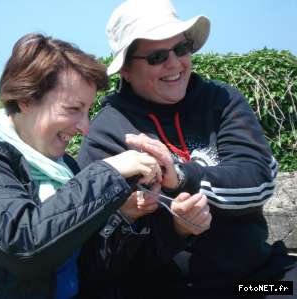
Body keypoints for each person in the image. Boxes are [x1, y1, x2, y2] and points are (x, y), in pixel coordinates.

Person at [76, 0, 297, 298]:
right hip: (170, 288)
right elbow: (103, 250)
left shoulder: (221, 101)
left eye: (181, 49)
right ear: (126, 69)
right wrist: (175, 228)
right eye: (156, 57)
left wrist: (181, 176)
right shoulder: (107, 134)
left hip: (251, 281)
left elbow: (257, 179)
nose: (174, 64)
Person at [0, 33, 168, 299]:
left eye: (88, 110)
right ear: (26, 98)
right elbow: (24, 245)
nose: (85, 127)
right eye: (73, 109)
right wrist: (108, 173)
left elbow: (87, 269)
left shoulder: (65, 169)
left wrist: (126, 217)